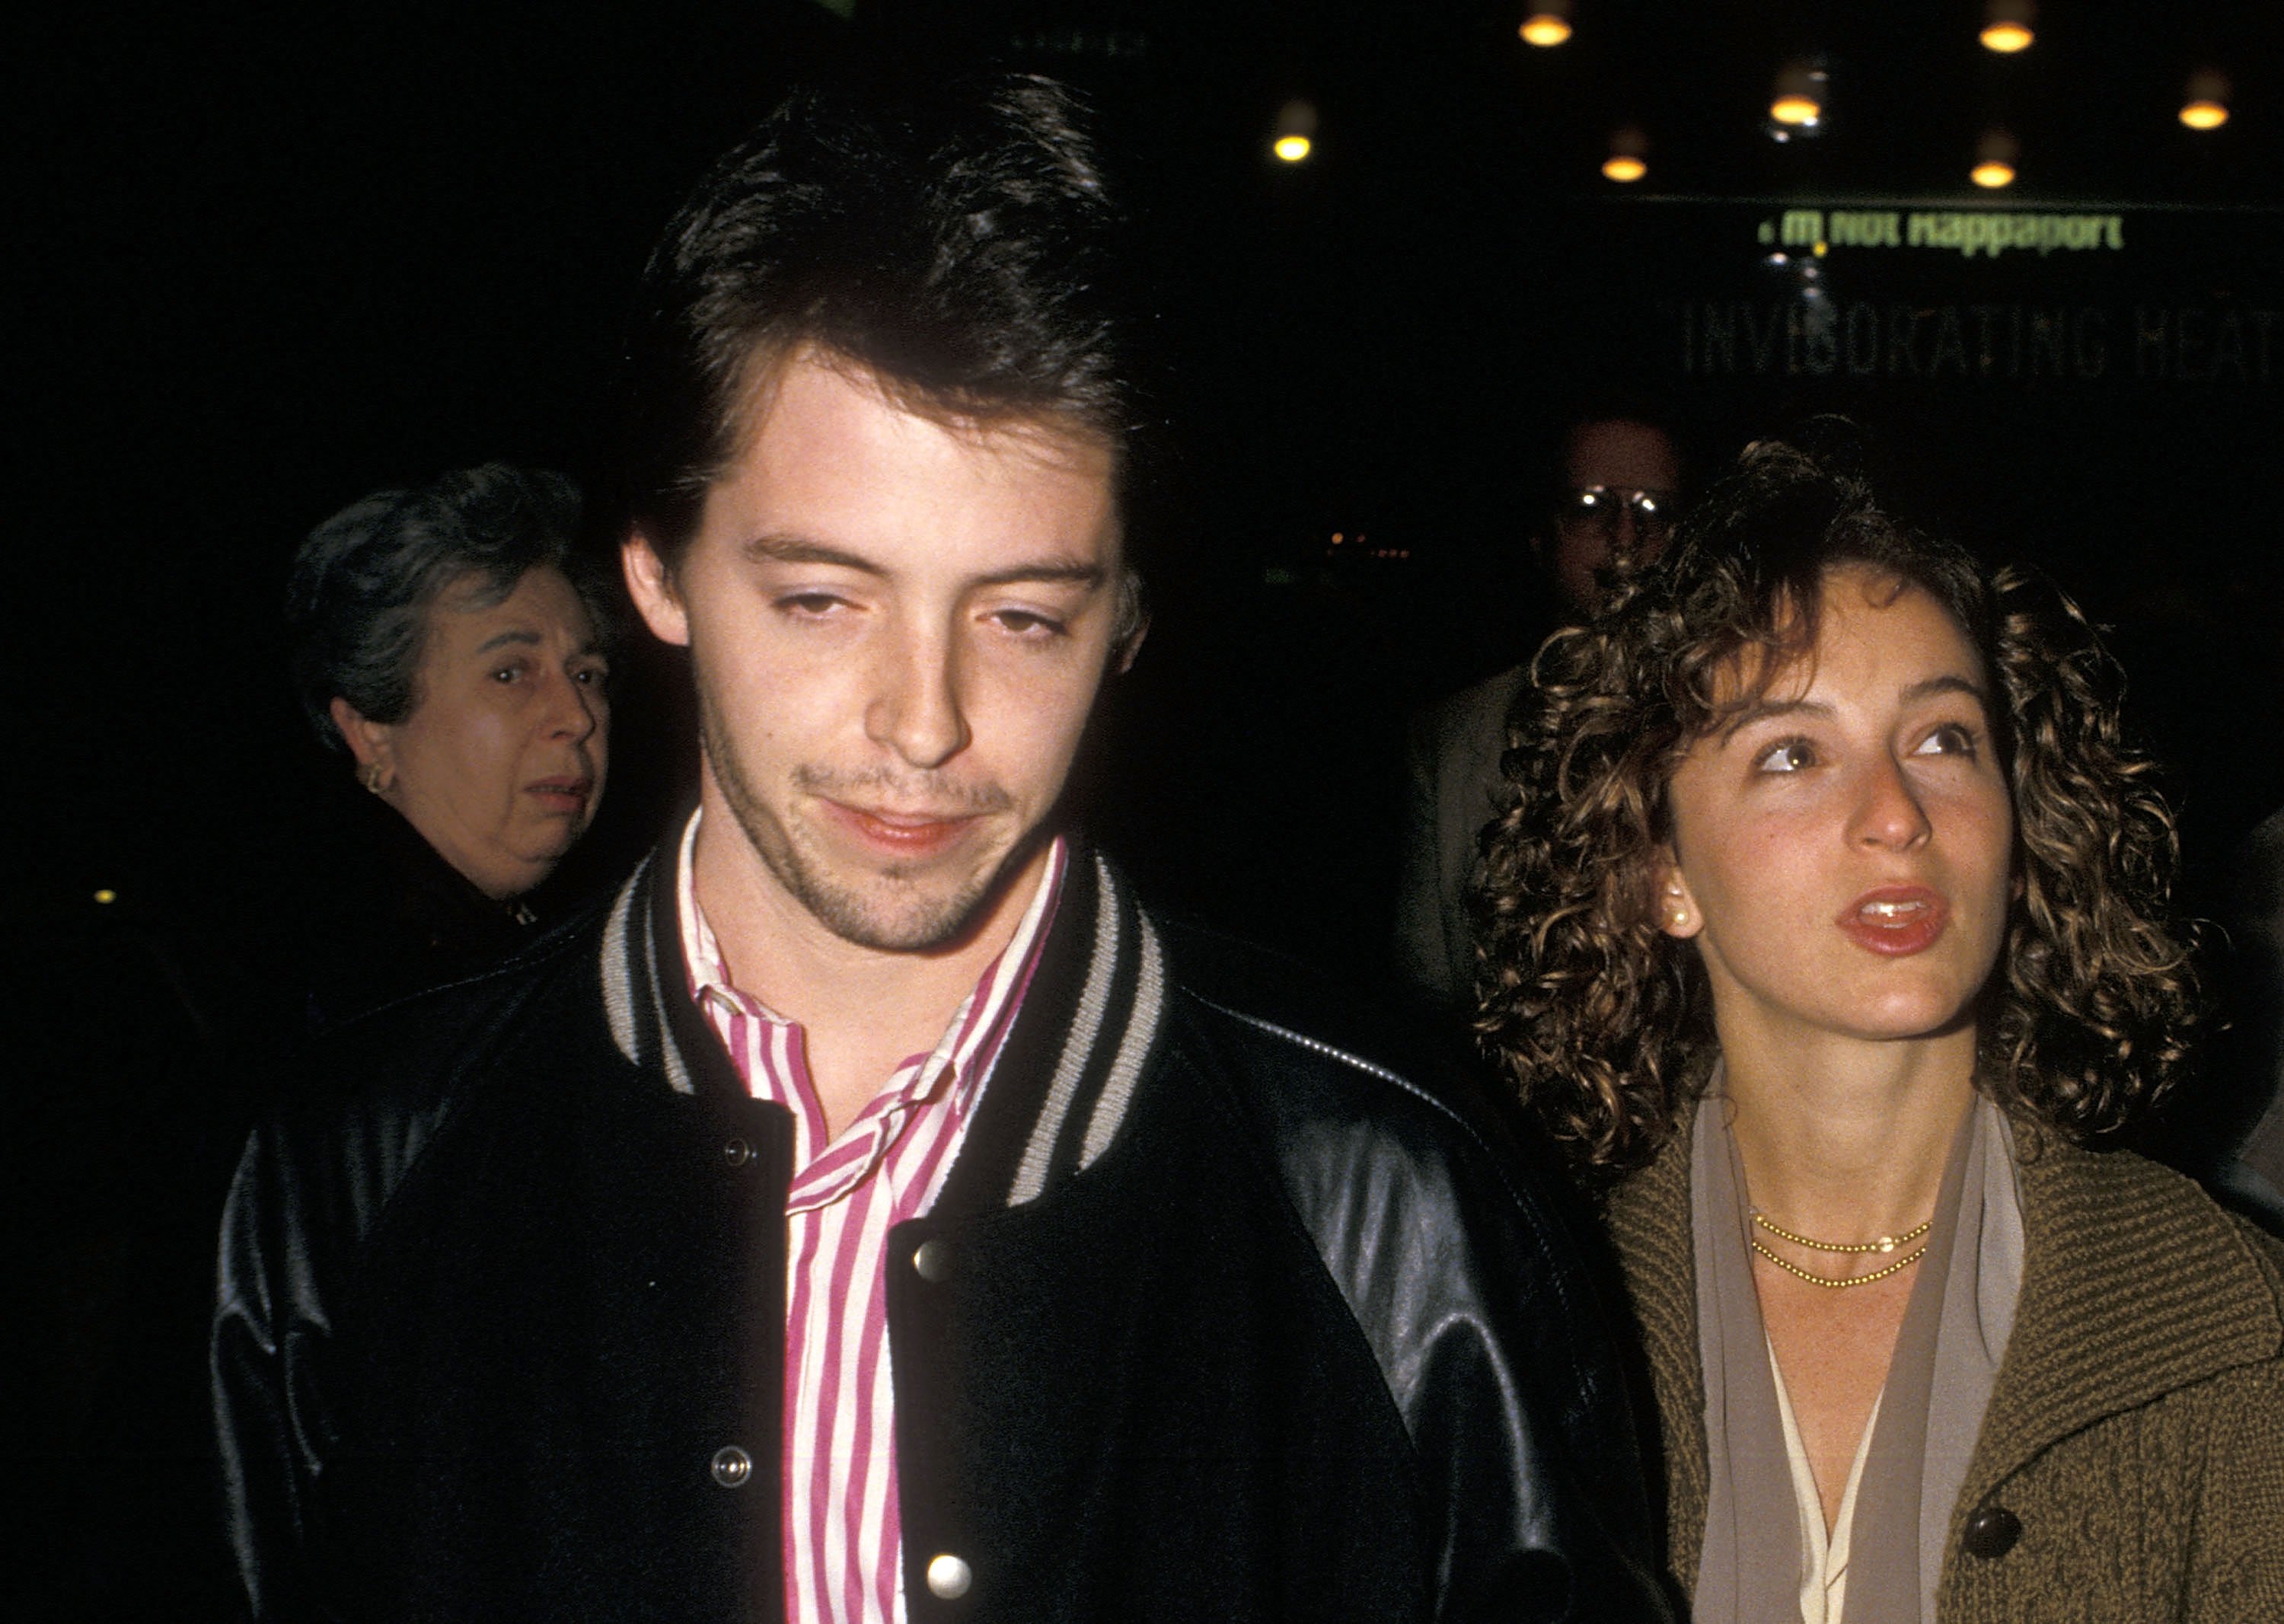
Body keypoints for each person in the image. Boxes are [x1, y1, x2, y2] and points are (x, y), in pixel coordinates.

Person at [212, 76, 1674, 1622]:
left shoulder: (1399, 1209)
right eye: (824, 598)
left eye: (1022, 614)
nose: (927, 720)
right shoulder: (342, 1183)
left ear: (1127, 620)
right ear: (653, 570)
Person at [1474, 436, 2284, 1622]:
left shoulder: (2225, 1325)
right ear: (1660, 870)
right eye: (1794, 753)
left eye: (1946, 739)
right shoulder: (1522, 1318)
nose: (1899, 813)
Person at [281, 464, 612, 1022]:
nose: (576, 717)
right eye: (510, 673)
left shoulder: (511, 951)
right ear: (371, 732)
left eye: (586, 674)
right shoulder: (381, 1012)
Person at [1395, 408, 1683, 1009]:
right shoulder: (1453, 740)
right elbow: (1424, 995)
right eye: (1589, 504)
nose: (1625, 535)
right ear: (1542, 536)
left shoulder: (1735, 725)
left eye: (1652, 509)